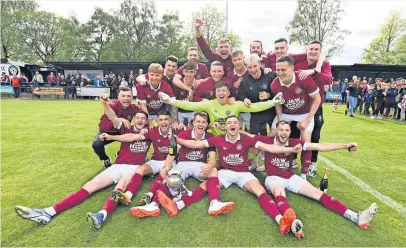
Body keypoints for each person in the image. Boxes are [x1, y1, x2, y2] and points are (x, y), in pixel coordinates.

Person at [15, 110, 151, 230]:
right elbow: (113, 117)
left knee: (119, 189)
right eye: (137, 117)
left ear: (146, 121)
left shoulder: (150, 132)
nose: (140, 120)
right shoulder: (126, 128)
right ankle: (49, 211)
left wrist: (110, 137)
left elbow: (134, 138)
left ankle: (101, 215)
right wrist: (105, 103)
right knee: (88, 188)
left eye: (143, 118)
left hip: (134, 167)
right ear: (133, 119)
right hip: (117, 166)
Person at [175, 115, 304, 238]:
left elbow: (269, 147)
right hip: (225, 172)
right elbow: (196, 144)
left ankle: (280, 220)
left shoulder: (246, 139)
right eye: (229, 123)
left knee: (260, 191)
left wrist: (291, 149)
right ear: (225, 126)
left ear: (239, 126)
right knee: (207, 184)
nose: (232, 124)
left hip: (244, 173)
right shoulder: (218, 138)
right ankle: (179, 205)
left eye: (235, 123)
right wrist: (178, 140)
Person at [257, 121, 378, 237]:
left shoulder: (294, 142)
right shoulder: (267, 141)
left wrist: (345, 145)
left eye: (287, 130)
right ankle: (293, 223)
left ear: (290, 132)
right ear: (276, 131)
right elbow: (247, 137)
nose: (284, 133)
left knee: (317, 192)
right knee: (278, 192)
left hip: (290, 176)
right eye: (281, 130)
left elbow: (320, 146)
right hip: (273, 177)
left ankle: (355, 217)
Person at [131, 112, 234, 217]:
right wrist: (166, 167)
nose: (201, 124)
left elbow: (212, 158)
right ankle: (153, 205)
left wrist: (210, 165)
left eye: (203, 122)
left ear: (207, 124)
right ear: (193, 123)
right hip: (183, 164)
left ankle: (214, 203)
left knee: (213, 171)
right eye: (198, 121)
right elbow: (172, 154)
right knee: (171, 177)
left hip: (199, 165)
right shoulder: (183, 134)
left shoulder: (210, 136)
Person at [160, 82, 282, 136]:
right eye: (218, 91)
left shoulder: (236, 104)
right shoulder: (209, 104)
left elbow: (255, 107)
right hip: (217, 139)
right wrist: (170, 100)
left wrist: (273, 102)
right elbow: (190, 105)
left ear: (229, 93)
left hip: (234, 136)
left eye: (224, 90)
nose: (221, 93)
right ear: (215, 93)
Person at [294, 40, 332, 177]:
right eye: (311, 49)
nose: (313, 52)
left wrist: (314, 72)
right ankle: (292, 160)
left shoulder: (325, 64)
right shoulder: (299, 62)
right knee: (294, 133)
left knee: (315, 135)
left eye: (317, 49)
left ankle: (312, 163)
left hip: (316, 106)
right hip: (299, 106)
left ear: (320, 52)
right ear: (306, 50)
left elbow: (328, 80)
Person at [269, 56, 321, 146]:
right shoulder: (274, 84)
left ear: (292, 68)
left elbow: (317, 99)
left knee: (306, 141)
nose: (280, 73)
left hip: (304, 113)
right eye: (278, 70)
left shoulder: (303, 78)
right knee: (273, 134)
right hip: (286, 113)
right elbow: (278, 104)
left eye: (283, 70)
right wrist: (280, 120)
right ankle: (267, 158)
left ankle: (306, 160)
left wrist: (307, 121)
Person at [92, 87, 140, 168]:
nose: (126, 98)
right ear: (118, 97)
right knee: (96, 145)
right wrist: (122, 119)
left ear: (132, 97)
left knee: (137, 136)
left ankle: (121, 153)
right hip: (107, 131)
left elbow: (142, 115)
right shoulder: (112, 105)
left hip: (121, 131)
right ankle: (106, 159)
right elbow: (112, 117)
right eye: (123, 96)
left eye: (128, 96)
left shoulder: (134, 108)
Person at [238, 53, 277, 136]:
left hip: (272, 112)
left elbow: (280, 93)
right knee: (254, 137)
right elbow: (241, 94)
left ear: (260, 64)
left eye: (255, 66)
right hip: (256, 113)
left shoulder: (270, 75)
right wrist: (244, 99)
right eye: (249, 67)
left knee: (272, 137)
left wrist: (269, 95)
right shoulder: (245, 80)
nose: (253, 70)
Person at [172, 61, 201, 127]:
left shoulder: (199, 84)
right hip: (180, 113)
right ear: (183, 72)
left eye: (191, 72)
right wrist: (175, 120)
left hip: (194, 113)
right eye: (186, 71)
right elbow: (174, 102)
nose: (189, 74)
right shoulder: (178, 84)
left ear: (195, 72)